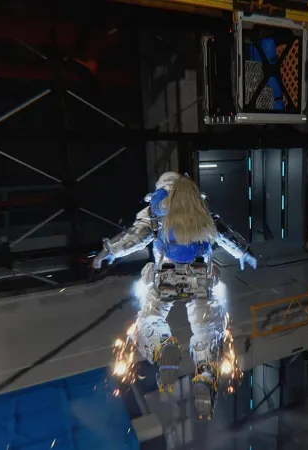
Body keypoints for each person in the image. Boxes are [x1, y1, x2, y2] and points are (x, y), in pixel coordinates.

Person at [94, 171, 256, 418]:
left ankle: (162, 348)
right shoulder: (198, 205)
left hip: (166, 277)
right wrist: (244, 253)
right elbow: (223, 234)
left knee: (149, 319)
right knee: (206, 328)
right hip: (201, 277)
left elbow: (135, 237)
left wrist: (108, 252)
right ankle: (205, 374)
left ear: (160, 187)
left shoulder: (154, 210)